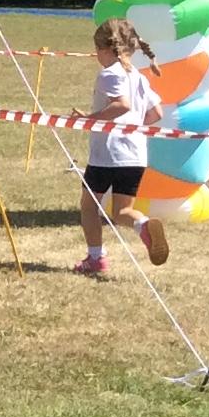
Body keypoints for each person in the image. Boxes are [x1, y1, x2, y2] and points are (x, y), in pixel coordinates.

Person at [74, 17, 171, 274]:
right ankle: (144, 225)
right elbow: (156, 113)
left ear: (106, 49)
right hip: (135, 155)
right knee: (123, 211)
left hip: (107, 154)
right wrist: (133, 127)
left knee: (89, 206)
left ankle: (96, 258)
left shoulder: (109, 74)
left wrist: (89, 119)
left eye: (97, 50)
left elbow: (122, 105)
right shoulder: (138, 77)